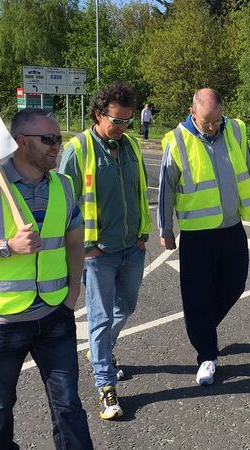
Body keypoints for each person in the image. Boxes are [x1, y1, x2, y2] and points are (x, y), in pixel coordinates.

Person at [0, 108, 93, 450]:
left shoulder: (63, 185)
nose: (57, 146)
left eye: (59, 139)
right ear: (22, 142)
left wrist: (72, 294)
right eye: (49, 139)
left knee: (68, 405)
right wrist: (7, 246)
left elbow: (75, 242)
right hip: (3, 321)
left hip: (55, 314)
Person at [158, 88, 250, 386]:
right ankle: (207, 355)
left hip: (231, 228)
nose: (212, 127)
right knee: (197, 295)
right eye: (206, 122)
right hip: (196, 234)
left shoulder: (234, 130)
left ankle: (201, 327)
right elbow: (166, 188)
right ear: (192, 112)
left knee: (235, 284)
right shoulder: (177, 140)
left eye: (216, 121)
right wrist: (166, 229)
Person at [60, 83, 151, 421]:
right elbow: (64, 203)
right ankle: (105, 384)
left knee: (126, 306)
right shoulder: (78, 148)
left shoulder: (132, 146)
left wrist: (142, 235)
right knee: (99, 318)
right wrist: (86, 247)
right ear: (99, 115)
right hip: (98, 252)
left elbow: (140, 191)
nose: (123, 127)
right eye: (117, 121)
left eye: (128, 121)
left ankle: (101, 352)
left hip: (132, 247)